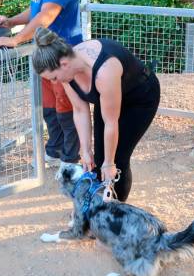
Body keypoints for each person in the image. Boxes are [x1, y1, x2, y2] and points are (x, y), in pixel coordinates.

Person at [31, 27, 161, 202]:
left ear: (63, 64)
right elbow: (79, 110)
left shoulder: (104, 70)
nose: (56, 82)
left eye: (54, 78)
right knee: (98, 160)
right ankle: (98, 208)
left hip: (140, 97)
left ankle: (114, 213)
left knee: (117, 160)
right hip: (107, 97)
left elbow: (111, 122)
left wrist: (109, 163)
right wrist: (85, 150)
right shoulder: (67, 73)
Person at [0, 0, 82, 167]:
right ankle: (55, 149)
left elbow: (45, 16)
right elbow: (35, 11)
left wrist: (15, 39)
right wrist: (11, 22)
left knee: (66, 106)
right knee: (50, 107)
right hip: (45, 53)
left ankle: (71, 158)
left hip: (64, 55)